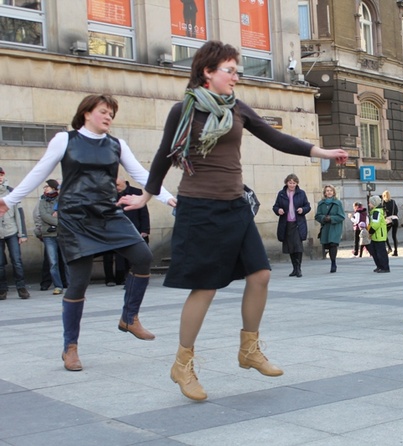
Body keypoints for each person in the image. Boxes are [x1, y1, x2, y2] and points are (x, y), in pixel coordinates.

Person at [118, 41, 348, 401]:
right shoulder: (184, 110)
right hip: (200, 208)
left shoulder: (237, 108)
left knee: (261, 274)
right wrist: (147, 195)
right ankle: (183, 363)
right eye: (230, 70)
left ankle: (249, 349)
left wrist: (321, 151)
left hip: (235, 206)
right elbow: (164, 155)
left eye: (237, 70)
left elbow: (276, 137)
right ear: (207, 72)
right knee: (206, 287)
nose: (235, 77)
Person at [0, 94, 176, 371]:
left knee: (142, 256)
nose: (108, 117)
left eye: (111, 114)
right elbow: (38, 171)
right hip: (76, 219)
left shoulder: (117, 145)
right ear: (86, 113)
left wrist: (168, 197)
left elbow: (142, 174)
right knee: (79, 282)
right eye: (104, 112)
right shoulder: (65, 140)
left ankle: (129, 317)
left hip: (108, 214)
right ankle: (70, 347)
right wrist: (9, 200)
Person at [103, 177, 151, 286]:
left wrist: (145, 229)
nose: (116, 188)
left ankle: (137, 276)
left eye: (118, 185)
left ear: (124, 182)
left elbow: (143, 212)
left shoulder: (136, 192)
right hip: (117, 229)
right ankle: (121, 278)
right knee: (119, 257)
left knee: (138, 255)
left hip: (134, 227)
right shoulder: (110, 194)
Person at [0, 167, 30, 300]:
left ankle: (21, 287)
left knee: (17, 260)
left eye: (1, 175)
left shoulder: (11, 191)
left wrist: (22, 234)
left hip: (11, 231)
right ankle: (2, 289)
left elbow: (19, 214)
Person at [272, 173, 310, 278]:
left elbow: (307, 206)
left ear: (297, 183)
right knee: (290, 247)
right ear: (286, 183)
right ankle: (294, 268)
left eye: (294, 183)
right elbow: (275, 206)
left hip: (298, 223)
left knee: (298, 246)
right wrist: (278, 210)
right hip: (286, 223)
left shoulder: (301, 193)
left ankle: (298, 268)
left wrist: (303, 209)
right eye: (290, 183)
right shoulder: (281, 194)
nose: (292, 185)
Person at [38, 179, 69, 295]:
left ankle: (71, 284)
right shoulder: (42, 201)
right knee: (53, 262)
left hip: (62, 234)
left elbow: (65, 213)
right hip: (48, 235)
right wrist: (58, 221)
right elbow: (44, 215)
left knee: (67, 261)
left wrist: (58, 219)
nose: (45, 188)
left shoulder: (61, 199)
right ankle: (58, 286)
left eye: (47, 186)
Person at [315, 184, 346, 273]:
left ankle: (333, 263)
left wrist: (331, 218)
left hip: (335, 227)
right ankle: (331, 258)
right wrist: (323, 218)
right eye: (327, 191)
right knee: (327, 245)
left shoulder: (338, 203)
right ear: (325, 193)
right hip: (326, 227)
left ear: (333, 192)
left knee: (333, 244)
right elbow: (317, 216)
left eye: (331, 191)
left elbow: (341, 216)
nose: (329, 192)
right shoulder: (321, 204)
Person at [368, 195, 390, 273]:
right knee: (374, 251)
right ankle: (380, 266)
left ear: (374, 204)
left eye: (370, 203)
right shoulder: (376, 211)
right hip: (376, 236)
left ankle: (384, 267)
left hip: (379, 236)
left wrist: (370, 232)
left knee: (381, 253)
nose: (369, 204)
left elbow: (375, 224)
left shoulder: (376, 212)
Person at [382, 190, 399, 256]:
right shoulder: (393, 201)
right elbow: (396, 210)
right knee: (394, 236)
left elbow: (383, 212)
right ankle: (396, 251)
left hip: (388, 220)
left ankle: (389, 248)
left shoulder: (384, 202)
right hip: (395, 219)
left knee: (384, 234)